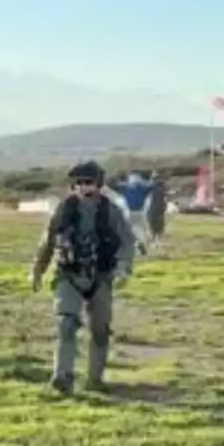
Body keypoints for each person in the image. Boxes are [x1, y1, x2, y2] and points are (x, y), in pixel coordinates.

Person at [29, 160, 136, 394]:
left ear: (98, 184)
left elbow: (128, 242)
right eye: (78, 183)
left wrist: (123, 269)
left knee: (100, 330)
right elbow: (47, 242)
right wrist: (37, 270)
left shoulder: (111, 211)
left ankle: (95, 378)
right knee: (66, 324)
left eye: (88, 182)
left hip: (101, 277)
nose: (83, 187)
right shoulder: (64, 209)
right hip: (69, 275)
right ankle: (62, 376)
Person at [120, 171, 153, 255]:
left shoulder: (125, 188)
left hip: (128, 212)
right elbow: (151, 187)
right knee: (140, 230)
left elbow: (114, 187)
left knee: (131, 230)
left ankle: (136, 245)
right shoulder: (142, 187)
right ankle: (139, 244)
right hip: (140, 212)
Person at [147, 171, 169, 245]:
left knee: (155, 224)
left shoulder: (152, 186)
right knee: (156, 224)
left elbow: (164, 197)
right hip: (156, 208)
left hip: (155, 208)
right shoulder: (161, 186)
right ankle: (156, 239)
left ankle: (156, 239)